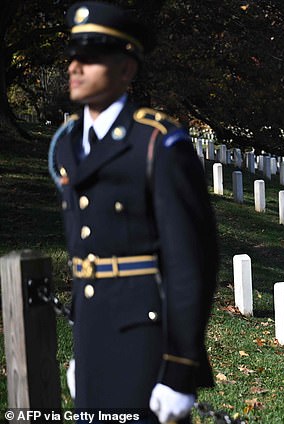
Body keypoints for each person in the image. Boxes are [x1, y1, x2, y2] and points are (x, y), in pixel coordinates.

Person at [48, 2, 219, 423]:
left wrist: (180, 370)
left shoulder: (156, 143)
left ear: (126, 69)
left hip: (146, 345)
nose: (76, 67)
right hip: (92, 338)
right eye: (74, 56)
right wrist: (81, 353)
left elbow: (190, 262)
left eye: (91, 57)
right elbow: (87, 255)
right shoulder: (68, 144)